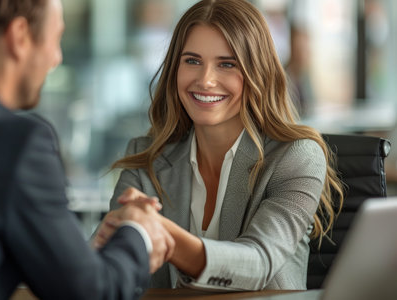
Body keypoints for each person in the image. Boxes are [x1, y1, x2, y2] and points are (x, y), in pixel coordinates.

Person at [94, 0, 344, 291]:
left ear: (257, 72)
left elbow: (259, 262)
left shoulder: (295, 156)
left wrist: (160, 233)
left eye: (227, 64)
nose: (206, 80)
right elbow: (104, 268)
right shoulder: (149, 157)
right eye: (192, 61)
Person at [0, 0, 174, 299]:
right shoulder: (13, 142)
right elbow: (90, 293)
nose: (56, 59)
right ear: (20, 36)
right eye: (56, 39)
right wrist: (138, 233)